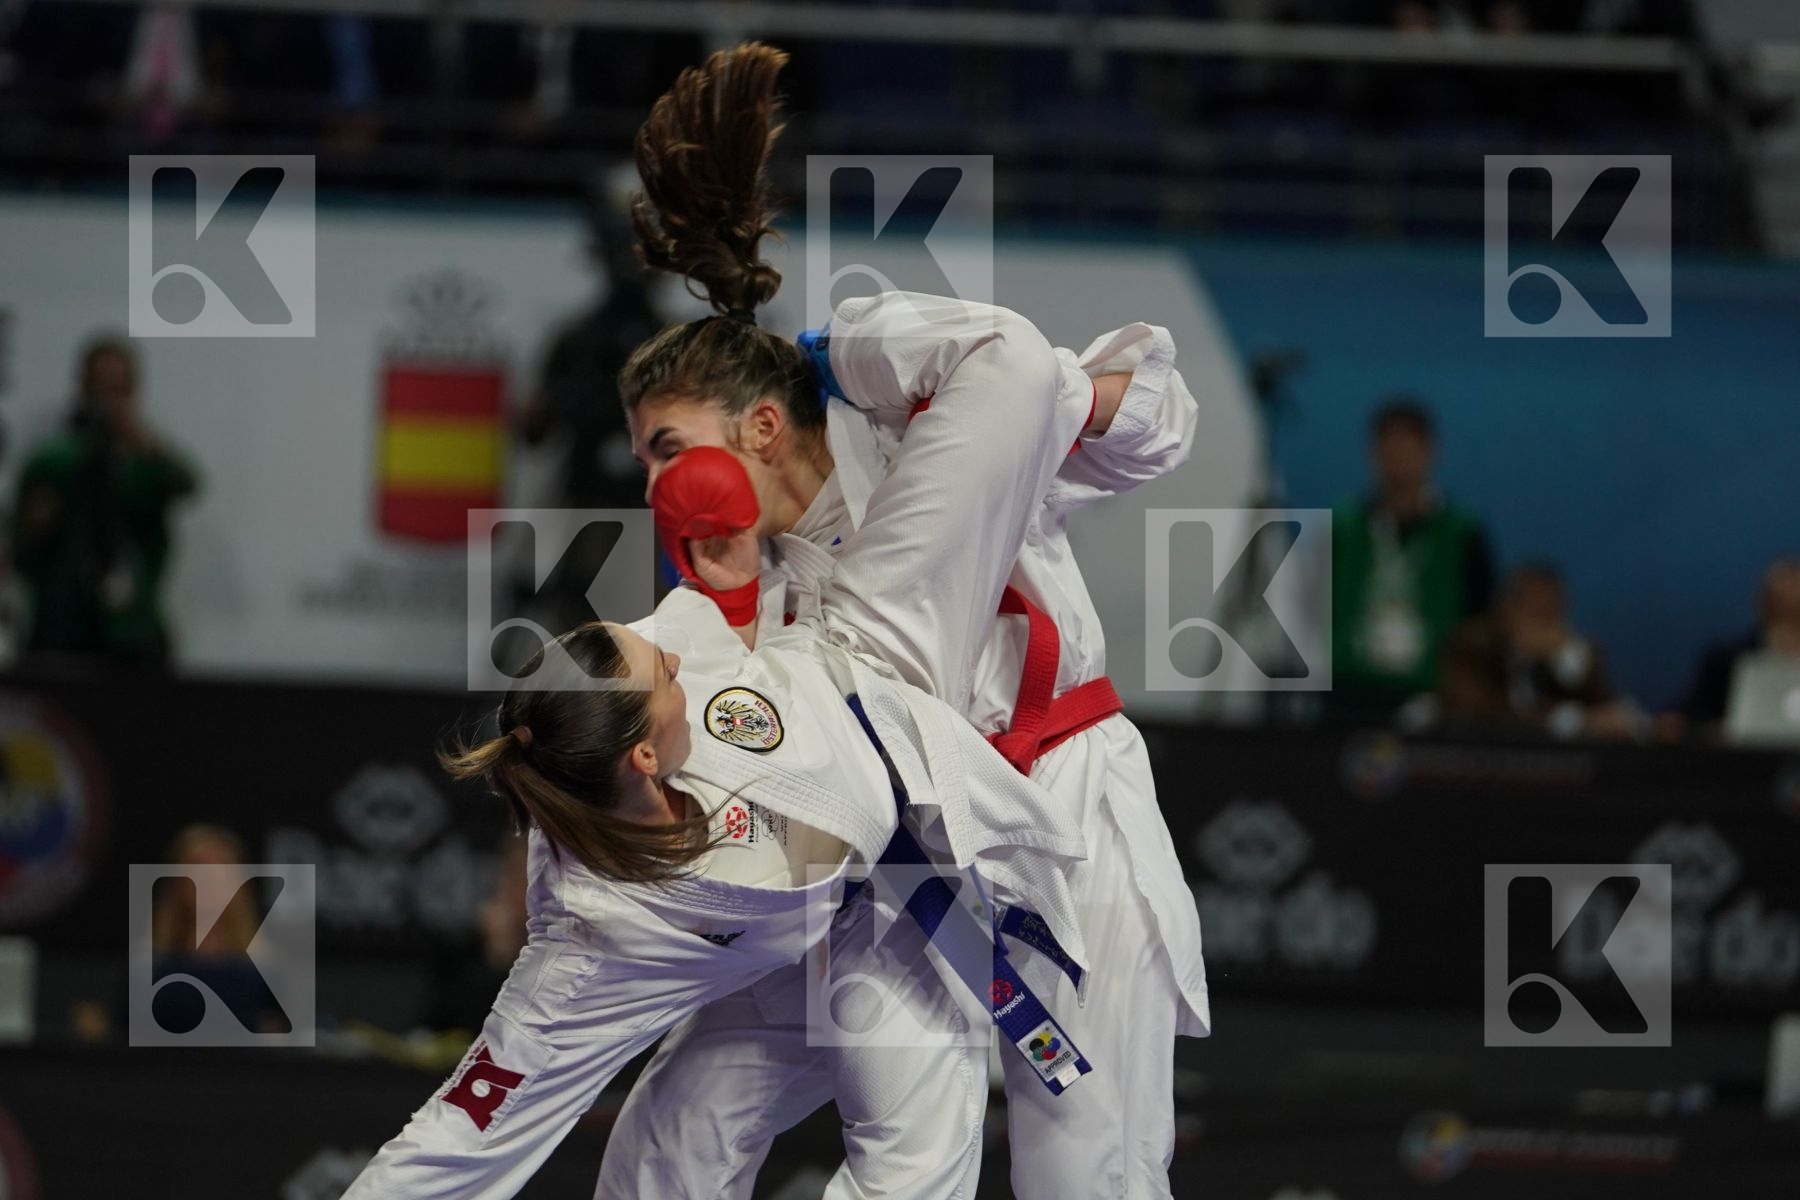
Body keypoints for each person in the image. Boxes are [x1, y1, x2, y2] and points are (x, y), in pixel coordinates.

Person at [341, 49, 1123, 1195]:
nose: (656, 639)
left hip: (868, 803)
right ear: (651, 751)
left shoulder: (669, 688)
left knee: (850, 1152)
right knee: (686, 1143)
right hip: (850, 812)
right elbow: (463, 1130)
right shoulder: (605, 921)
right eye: (650, 663)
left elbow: (1008, 371)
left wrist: (816, 377)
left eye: (662, 446)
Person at [595, 44, 1208, 1200]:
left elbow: (1162, 423)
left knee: (1092, 1176)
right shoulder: (723, 580)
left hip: (1063, 816)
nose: (653, 485)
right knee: (681, 1122)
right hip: (882, 866)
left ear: (761, 424)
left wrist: (970, 383)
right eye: (641, 460)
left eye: (666, 447)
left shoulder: (911, 425)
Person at [11, 336, 199, 668]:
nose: (110, 401)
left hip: (131, 624)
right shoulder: (54, 460)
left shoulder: (145, 464)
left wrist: (146, 444)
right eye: (101, 388)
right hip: (61, 625)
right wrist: (37, 526)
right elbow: (20, 546)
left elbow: (187, 485)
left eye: (120, 389)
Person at [1330, 396, 1494, 718]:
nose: (1398, 463)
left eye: (1407, 452)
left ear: (1430, 453)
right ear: (1372, 454)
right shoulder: (1341, 526)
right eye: (1389, 452)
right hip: (1347, 692)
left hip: (1431, 697)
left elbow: (1480, 618)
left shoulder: (1463, 531)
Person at [1436, 561, 1638, 740]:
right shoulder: (1471, 645)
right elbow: (1475, 716)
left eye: (1553, 613)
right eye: (1535, 612)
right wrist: (1572, 722)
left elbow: (1605, 711)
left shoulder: (1577, 650)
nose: (1545, 626)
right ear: (1507, 609)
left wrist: (1564, 660)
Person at [1676, 557, 1800, 735]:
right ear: (1763, 602)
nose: (1790, 603)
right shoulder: (1725, 660)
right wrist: (1716, 730)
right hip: (1746, 751)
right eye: (1781, 598)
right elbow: (1689, 718)